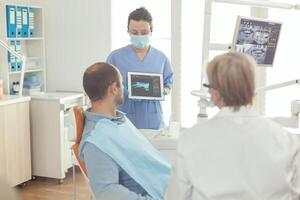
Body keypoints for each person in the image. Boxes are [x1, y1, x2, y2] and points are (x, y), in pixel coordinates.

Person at [170, 52, 300, 200]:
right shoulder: (287, 141)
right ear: (252, 89)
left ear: (215, 94)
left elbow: (177, 196)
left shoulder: (190, 140)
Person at [79, 62, 171, 200]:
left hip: (170, 184)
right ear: (114, 88)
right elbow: (106, 192)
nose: (124, 88)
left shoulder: (118, 120)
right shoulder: (96, 141)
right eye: (122, 84)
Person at [107, 7, 173, 129]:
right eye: (134, 32)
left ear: (151, 31)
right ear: (128, 31)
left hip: (153, 119)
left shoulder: (161, 58)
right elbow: (106, 87)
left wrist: (163, 90)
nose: (139, 36)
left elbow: (169, 83)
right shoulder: (115, 57)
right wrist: (123, 90)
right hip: (125, 118)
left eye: (144, 32)